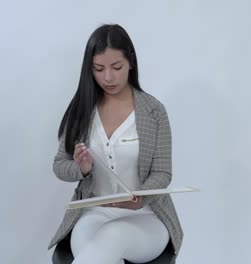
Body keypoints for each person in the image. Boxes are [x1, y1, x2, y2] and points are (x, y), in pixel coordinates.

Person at [47, 24, 183, 264]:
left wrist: (140, 197)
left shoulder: (154, 112)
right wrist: (82, 169)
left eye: (116, 67)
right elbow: (60, 166)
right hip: (93, 216)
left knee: (112, 237)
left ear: (131, 62)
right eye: (98, 69)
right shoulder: (81, 110)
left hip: (147, 217)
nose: (108, 77)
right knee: (100, 247)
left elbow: (162, 172)